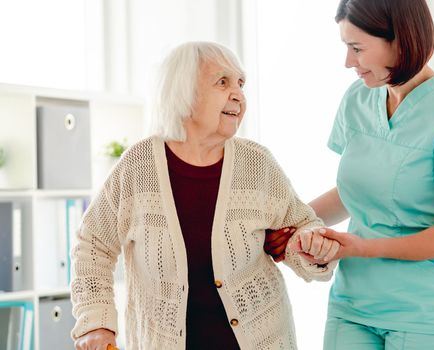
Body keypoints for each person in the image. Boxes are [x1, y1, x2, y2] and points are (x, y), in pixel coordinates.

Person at [70, 41, 340, 350]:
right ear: (183, 91)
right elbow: (93, 244)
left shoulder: (258, 164)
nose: (238, 94)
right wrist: (97, 323)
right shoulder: (138, 166)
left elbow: (301, 229)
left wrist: (309, 245)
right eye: (222, 82)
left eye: (241, 83)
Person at [265, 0, 434, 349]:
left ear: (400, 39)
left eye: (357, 48)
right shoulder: (358, 98)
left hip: (426, 316)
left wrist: (363, 248)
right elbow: (353, 193)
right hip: (352, 307)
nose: (348, 62)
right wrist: (292, 224)